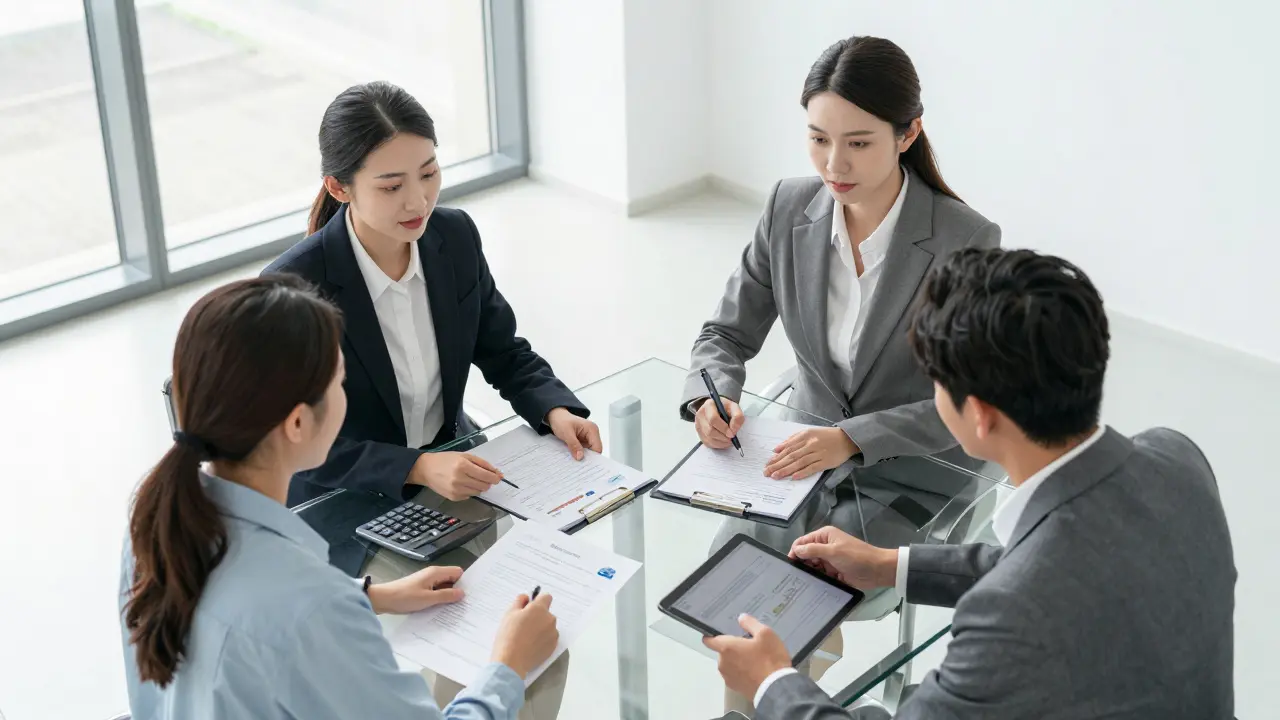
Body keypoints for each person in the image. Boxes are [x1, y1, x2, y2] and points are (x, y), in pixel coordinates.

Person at [703, 248, 1237, 719]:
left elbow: (1035, 586)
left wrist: (773, 682)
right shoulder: (1177, 459)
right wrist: (889, 564)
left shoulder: (1006, 618)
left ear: (978, 416)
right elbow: (1063, 563)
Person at [684, 36, 1001, 714]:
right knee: (726, 596)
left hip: (912, 470)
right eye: (818, 138)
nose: (834, 164)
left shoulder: (963, 238)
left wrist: (853, 439)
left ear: (908, 132)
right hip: (796, 463)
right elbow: (724, 335)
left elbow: (970, 401)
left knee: (802, 609)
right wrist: (713, 398)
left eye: (858, 142)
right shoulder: (788, 209)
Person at [119, 275, 561, 719]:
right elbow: (290, 613)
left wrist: (369, 597)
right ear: (296, 425)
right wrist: (508, 663)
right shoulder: (310, 606)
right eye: (339, 384)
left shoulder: (156, 518)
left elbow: (247, 611)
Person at [265, 81, 600, 510]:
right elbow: (290, 441)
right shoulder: (290, 288)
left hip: (451, 468)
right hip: (342, 496)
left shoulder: (454, 236)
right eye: (391, 187)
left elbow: (503, 350)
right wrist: (416, 467)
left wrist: (555, 410)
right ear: (339, 188)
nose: (418, 202)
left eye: (428, 173)